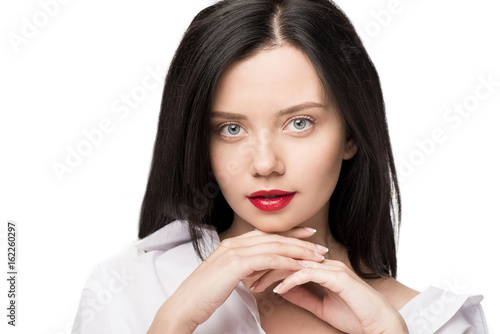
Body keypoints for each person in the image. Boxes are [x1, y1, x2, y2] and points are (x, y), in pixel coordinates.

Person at [71, 0, 488, 333]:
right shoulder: (127, 289)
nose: (266, 164)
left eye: (300, 123)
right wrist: (173, 323)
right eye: (231, 128)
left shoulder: (439, 323)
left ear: (351, 135)